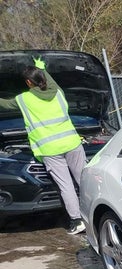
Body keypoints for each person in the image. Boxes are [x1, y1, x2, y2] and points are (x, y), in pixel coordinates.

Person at [0, 56, 86, 235]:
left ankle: (78, 221)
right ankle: (94, 213)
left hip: (51, 150)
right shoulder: (58, 92)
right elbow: (50, 82)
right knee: (84, 181)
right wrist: (41, 67)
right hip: (72, 143)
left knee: (66, 186)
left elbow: (5, 104)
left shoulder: (23, 99)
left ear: (29, 83)